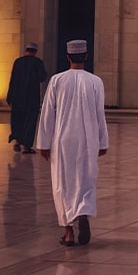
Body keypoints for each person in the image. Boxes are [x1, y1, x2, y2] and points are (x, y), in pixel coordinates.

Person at [35, 39, 109, 247]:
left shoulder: (57, 80)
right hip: (88, 138)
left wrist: (43, 143)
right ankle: (83, 211)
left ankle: (68, 232)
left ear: (68, 57)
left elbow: (48, 113)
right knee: (86, 178)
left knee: (62, 183)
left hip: (62, 139)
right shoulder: (95, 81)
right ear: (85, 56)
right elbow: (99, 115)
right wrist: (103, 141)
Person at [6, 43, 48, 153]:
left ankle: (17, 141)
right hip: (31, 97)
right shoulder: (37, 62)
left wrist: (9, 96)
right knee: (30, 121)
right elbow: (42, 77)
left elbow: (13, 79)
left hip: (17, 97)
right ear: (35, 52)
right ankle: (26, 146)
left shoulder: (18, 62)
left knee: (18, 119)